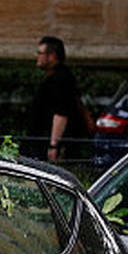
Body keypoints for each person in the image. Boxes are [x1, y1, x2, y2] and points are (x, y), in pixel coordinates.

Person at [23, 34, 91, 163]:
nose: (37, 56)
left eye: (40, 53)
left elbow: (61, 113)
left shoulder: (60, 80)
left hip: (52, 143)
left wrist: (54, 145)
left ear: (52, 56)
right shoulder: (56, 77)